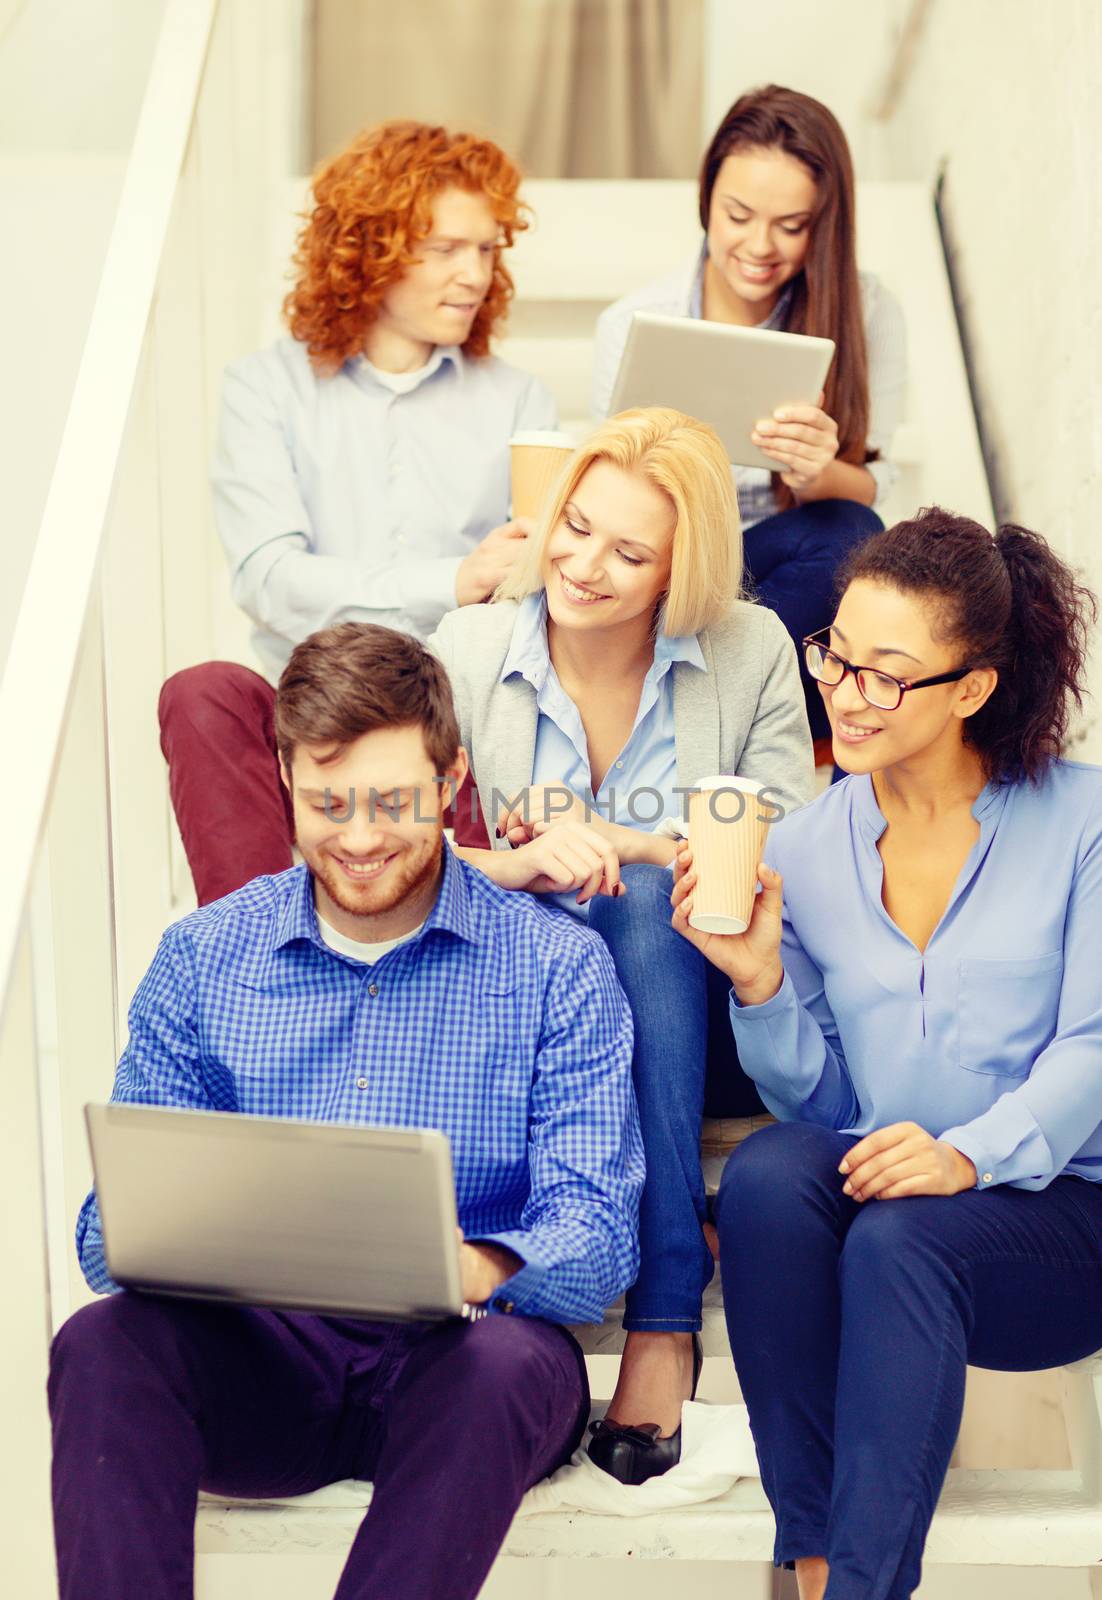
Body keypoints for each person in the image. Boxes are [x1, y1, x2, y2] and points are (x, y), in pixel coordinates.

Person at [49, 623, 644, 1600]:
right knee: (100, 1346)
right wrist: (183, 1229)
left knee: (495, 1366)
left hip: (463, 1364)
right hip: (267, 1363)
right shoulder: (203, 959)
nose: (360, 837)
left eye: (392, 802)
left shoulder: (555, 967)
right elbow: (104, 1239)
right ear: (283, 774)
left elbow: (597, 1237)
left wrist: (482, 1264)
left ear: (452, 782)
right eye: (328, 803)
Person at [671, 508, 1102, 1599]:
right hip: (894, 1212)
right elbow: (822, 1100)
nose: (846, 692)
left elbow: (1095, 1045)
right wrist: (760, 981)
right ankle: (814, 1562)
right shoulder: (808, 845)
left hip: (1062, 1224)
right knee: (768, 1174)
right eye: (837, 656)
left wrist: (970, 1153)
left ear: (972, 686)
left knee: (901, 1237)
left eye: (886, 675)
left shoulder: (1083, 821)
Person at [428, 406, 815, 1482]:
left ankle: (662, 1308)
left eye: (627, 550)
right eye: (576, 527)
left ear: (678, 571)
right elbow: (403, 845)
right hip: (527, 1006)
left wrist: (634, 843)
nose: (582, 565)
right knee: (604, 918)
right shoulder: (469, 645)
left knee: (643, 906)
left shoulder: (747, 650)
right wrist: (516, 861)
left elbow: (807, 841)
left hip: (699, 1001)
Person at [160, 119, 558, 905]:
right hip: (305, 709)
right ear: (370, 248)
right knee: (202, 693)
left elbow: (534, 590)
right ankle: (265, 956)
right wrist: (453, 578)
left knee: (513, 712)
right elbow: (268, 578)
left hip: (448, 717)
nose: (474, 275)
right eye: (445, 249)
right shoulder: (265, 388)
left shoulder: (520, 400)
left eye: (486, 250)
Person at [593, 85, 906, 742]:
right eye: (738, 215)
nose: (760, 247)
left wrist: (816, 469)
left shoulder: (865, 311)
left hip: (773, 588)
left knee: (847, 530)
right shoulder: (636, 323)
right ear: (706, 197)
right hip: (665, 572)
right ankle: (725, 724)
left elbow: (871, 493)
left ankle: (695, 723)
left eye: (792, 227)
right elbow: (606, 496)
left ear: (825, 222)